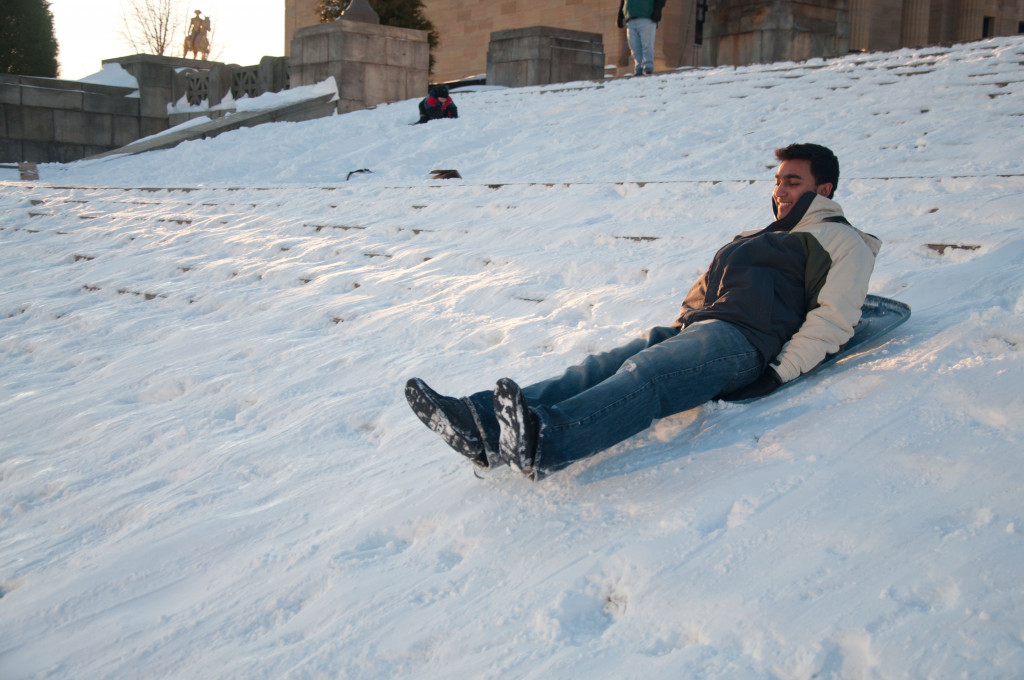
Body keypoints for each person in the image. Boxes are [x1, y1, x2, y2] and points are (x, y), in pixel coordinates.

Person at [406, 143, 881, 480]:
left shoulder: (843, 241)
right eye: (777, 181)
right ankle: (481, 424)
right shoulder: (755, 236)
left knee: (647, 373)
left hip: (746, 342)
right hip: (699, 329)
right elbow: (703, 291)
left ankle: (547, 439)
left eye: (793, 181)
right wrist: (682, 327)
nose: (780, 190)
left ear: (825, 188)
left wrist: (778, 374)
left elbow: (834, 320)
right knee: (597, 367)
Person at [618, 0, 666, 75]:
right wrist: (620, 15)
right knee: (634, 47)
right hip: (630, 19)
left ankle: (648, 67)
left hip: (646, 16)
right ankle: (638, 68)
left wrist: (658, 9)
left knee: (647, 45)